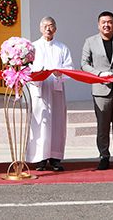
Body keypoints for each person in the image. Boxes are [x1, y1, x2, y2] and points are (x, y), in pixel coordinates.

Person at [80, 10, 113, 171]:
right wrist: (99, 74)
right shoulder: (90, 41)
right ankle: (104, 156)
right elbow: (84, 64)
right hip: (100, 90)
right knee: (102, 126)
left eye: (110, 22)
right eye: (103, 22)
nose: (106, 25)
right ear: (98, 25)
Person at [27, 16, 73, 171]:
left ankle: (55, 158)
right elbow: (27, 69)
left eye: (51, 25)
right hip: (40, 89)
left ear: (55, 28)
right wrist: (36, 75)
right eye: (45, 26)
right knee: (41, 123)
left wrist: (61, 74)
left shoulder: (62, 47)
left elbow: (69, 68)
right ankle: (40, 158)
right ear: (40, 28)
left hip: (56, 89)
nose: (48, 28)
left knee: (57, 123)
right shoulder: (33, 47)